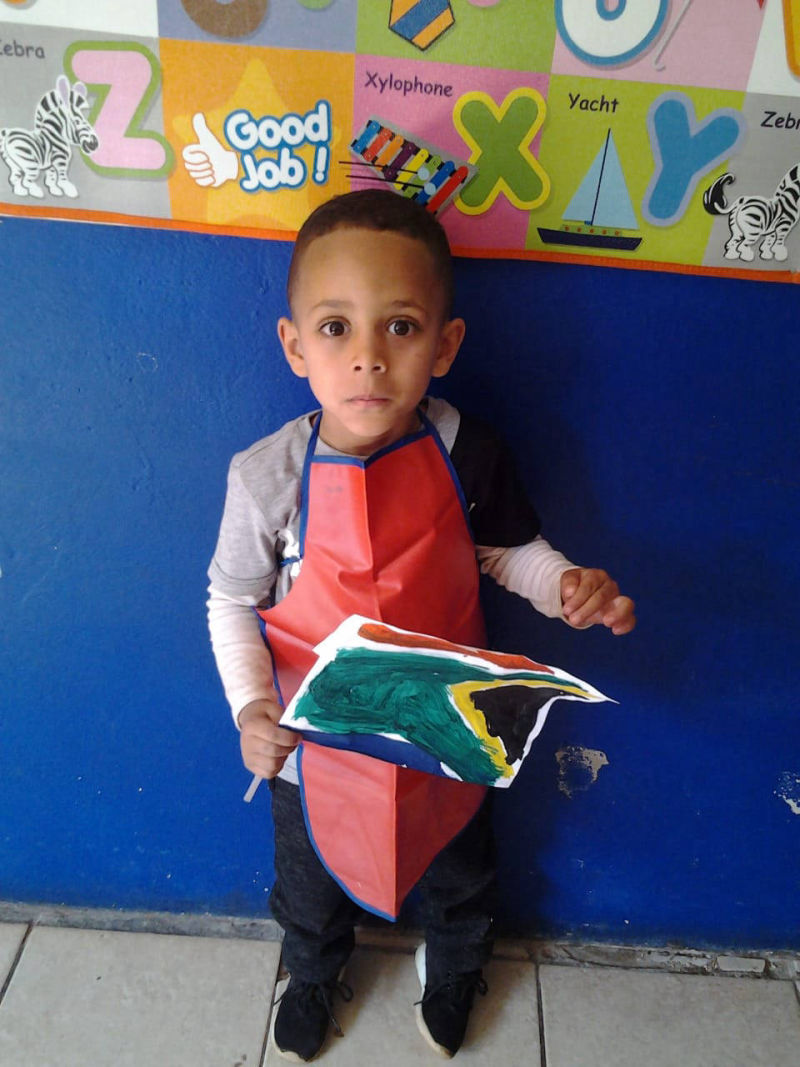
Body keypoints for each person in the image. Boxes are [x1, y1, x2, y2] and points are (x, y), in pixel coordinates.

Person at [207, 189, 635, 1062]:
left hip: (449, 729)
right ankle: (313, 969)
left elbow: (508, 553)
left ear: (444, 344)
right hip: (312, 748)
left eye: (400, 327)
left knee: (461, 869)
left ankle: (456, 962)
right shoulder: (265, 477)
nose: (368, 357)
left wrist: (564, 587)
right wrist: (251, 708)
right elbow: (229, 600)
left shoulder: (470, 450)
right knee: (307, 886)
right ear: (295, 345)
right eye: (336, 328)